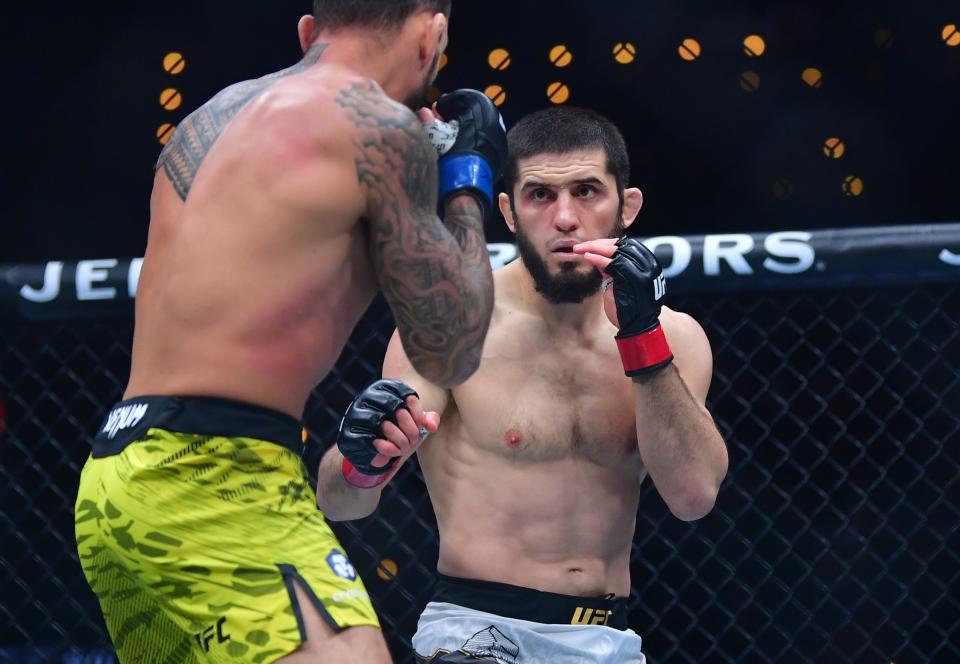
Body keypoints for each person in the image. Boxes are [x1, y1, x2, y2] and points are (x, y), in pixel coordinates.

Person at [74, 0, 508, 661]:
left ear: (310, 33)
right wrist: (467, 180)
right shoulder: (379, 129)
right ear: (432, 35)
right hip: (217, 478)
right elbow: (452, 349)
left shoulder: (206, 123)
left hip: (116, 477)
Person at [315, 106, 729, 663]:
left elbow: (694, 496)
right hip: (474, 634)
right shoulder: (454, 324)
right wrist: (360, 459)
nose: (565, 218)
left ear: (626, 206)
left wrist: (642, 339)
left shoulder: (674, 336)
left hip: (610, 639)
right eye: (540, 195)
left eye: (586, 192)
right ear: (508, 211)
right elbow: (341, 503)